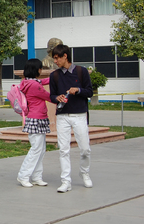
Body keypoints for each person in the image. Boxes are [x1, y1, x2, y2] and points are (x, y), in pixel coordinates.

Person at [49, 44, 93, 193]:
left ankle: (84, 172)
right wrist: (57, 98)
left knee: (85, 149)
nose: (55, 61)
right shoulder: (54, 75)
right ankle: (65, 181)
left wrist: (78, 90)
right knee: (63, 150)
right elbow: (52, 95)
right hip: (62, 116)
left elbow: (89, 92)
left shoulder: (81, 71)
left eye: (57, 58)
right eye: (54, 58)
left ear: (65, 56)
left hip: (80, 115)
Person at [17, 58, 52, 188]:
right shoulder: (34, 86)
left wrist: (55, 76)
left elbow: (42, 81)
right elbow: (48, 97)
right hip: (36, 118)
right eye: (41, 68)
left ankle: (37, 177)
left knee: (41, 149)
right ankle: (23, 176)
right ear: (37, 69)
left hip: (37, 118)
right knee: (36, 149)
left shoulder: (28, 82)